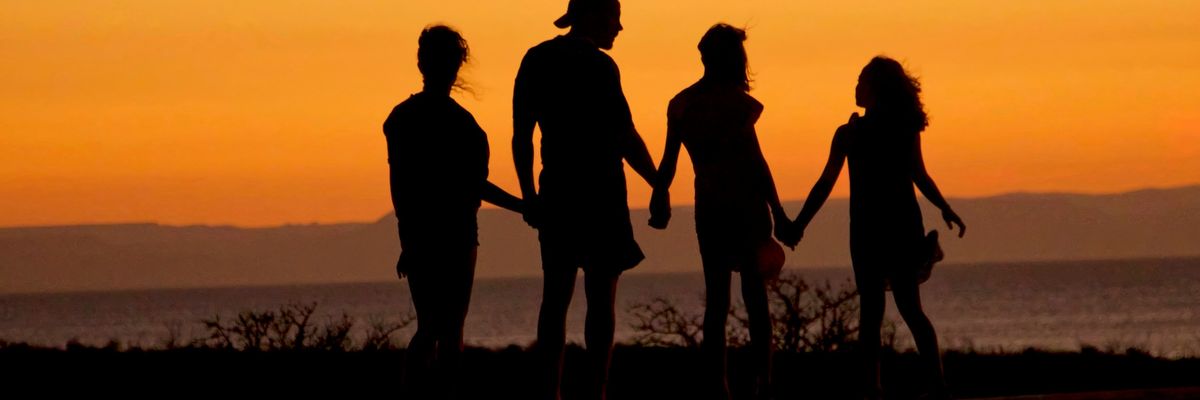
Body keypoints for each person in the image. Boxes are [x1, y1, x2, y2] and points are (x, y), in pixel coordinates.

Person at [786, 56, 967, 400]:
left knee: (880, 313)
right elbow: (918, 175)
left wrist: (799, 225)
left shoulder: (858, 133)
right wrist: (799, 224)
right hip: (889, 227)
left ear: (876, 89)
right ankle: (918, 383)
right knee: (903, 309)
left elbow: (915, 175)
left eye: (861, 81)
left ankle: (884, 386)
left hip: (879, 229)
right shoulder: (867, 132)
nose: (856, 87)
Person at [512, 0, 658, 399]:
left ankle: (551, 391)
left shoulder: (536, 58)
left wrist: (529, 196)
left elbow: (521, 136)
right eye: (615, 18)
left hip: (556, 193)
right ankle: (597, 391)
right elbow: (625, 134)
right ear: (593, 16)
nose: (620, 27)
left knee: (555, 298)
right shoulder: (600, 66)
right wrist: (658, 183)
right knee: (600, 300)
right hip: (602, 194)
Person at [382, 25, 523, 400]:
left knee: (435, 327)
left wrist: (409, 239)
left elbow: (403, 189)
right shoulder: (462, 125)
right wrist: (524, 207)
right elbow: (474, 186)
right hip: (454, 236)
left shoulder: (404, 118)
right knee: (444, 329)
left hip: (432, 236)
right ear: (457, 65)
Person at [650, 24, 789, 400]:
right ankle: (763, 384)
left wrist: (660, 195)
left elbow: (668, 163)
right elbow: (756, 163)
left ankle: (720, 387)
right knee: (754, 298)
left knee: (718, 300)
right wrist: (778, 210)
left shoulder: (682, 104)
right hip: (744, 205)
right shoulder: (738, 104)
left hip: (710, 206)